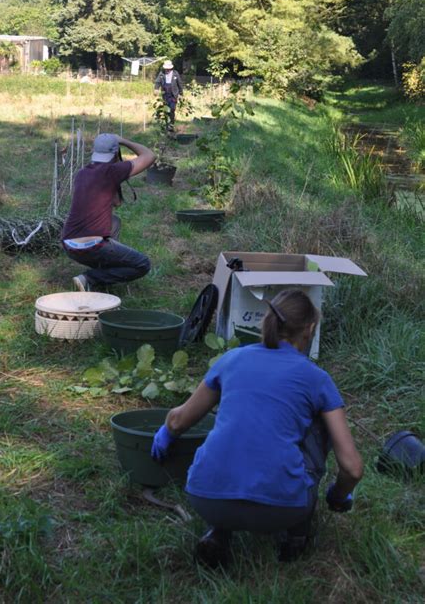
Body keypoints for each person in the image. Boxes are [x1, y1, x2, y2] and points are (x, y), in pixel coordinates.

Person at [151, 289, 363, 566]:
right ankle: (295, 537)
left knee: (242, 421)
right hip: (282, 509)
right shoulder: (316, 378)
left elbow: (179, 420)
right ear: (309, 330)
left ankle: (218, 531)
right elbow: (352, 467)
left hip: (205, 496)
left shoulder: (232, 359)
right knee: (319, 424)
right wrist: (337, 496)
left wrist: (165, 435)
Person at [62, 133, 155, 291]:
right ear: (114, 154)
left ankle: (104, 269)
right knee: (143, 264)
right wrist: (124, 140)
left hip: (69, 244)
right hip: (90, 247)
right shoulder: (112, 171)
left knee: (115, 222)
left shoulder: (82, 173)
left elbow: (116, 202)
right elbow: (150, 155)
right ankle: (90, 279)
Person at [154, 60, 183, 131]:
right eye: (166, 69)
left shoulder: (175, 74)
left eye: (168, 69)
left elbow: (180, 84)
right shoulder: (161, 74)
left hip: (173, 95)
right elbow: (157, 82)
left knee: (172, 109)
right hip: (165, 94)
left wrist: (181, 94)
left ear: (171, 68)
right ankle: (166, 125)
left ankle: (171, 125)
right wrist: (156, 89)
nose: (167, 70)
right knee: (166, 110)